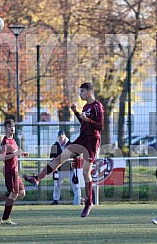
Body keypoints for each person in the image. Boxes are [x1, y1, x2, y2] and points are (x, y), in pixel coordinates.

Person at [23, 82, 104, 217]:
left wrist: (88, 120)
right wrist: (77, 113)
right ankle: (37, 178)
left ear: (89, 92)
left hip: (92, 140)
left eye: (82, 91)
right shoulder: (86, 106)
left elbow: (100, 126)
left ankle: (89, 202)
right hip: (82, 138)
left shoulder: (97, 106)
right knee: (60, 158)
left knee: (86, 172)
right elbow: (84, 122)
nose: (80, 94)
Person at [0, 119, 29, 225]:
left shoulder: (13, 140)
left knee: (21, 193)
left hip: (15, 171)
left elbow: (15, 152)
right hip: (10, 171)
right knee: (13, 194)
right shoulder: (5, 141)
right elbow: (1, 157)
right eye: (9, 126)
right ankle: (5, 218)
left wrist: (22, 153)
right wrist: (14, 154)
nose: (12, 128)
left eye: (13, 126)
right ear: (5, 128)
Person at [50, 130, 83, 205]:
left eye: (62, 136)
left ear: (65, 136)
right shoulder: (55, 146)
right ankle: (55, 199)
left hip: (70, 169)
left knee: (75, 184)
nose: (61, 138)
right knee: (56, 185)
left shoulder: (70, 145)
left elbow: (76, 155)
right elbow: (52, 157)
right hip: (59, 170)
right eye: (59, 137)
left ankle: (78, 198)